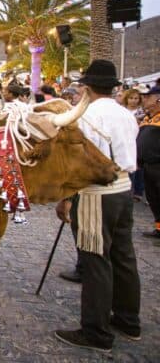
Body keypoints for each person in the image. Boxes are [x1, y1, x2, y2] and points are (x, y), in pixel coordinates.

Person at [54, 60, 141, 353]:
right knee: (123, 256)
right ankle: (128, 320)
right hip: (124, 188)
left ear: (87, 89)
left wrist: (66, 196)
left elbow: (79, 164)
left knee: (95, 260)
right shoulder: (126, 114)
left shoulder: (87, 117)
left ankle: (96, 331)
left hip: (95, 193)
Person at [137, 84, 160, 238]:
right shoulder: (146, 118)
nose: (143, 99)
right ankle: (159, 227)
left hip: (158, 164)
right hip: (147, 165)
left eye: (148, 97)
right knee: (153, 197)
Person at [120, 88, 145, 202]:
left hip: (137, 139)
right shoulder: (122, 110)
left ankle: (136, 191)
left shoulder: (142, 112)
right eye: (131, 98)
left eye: (136, 98)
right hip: (124, 139)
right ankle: (126, 190)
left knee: (137, 167)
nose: (133, 101)